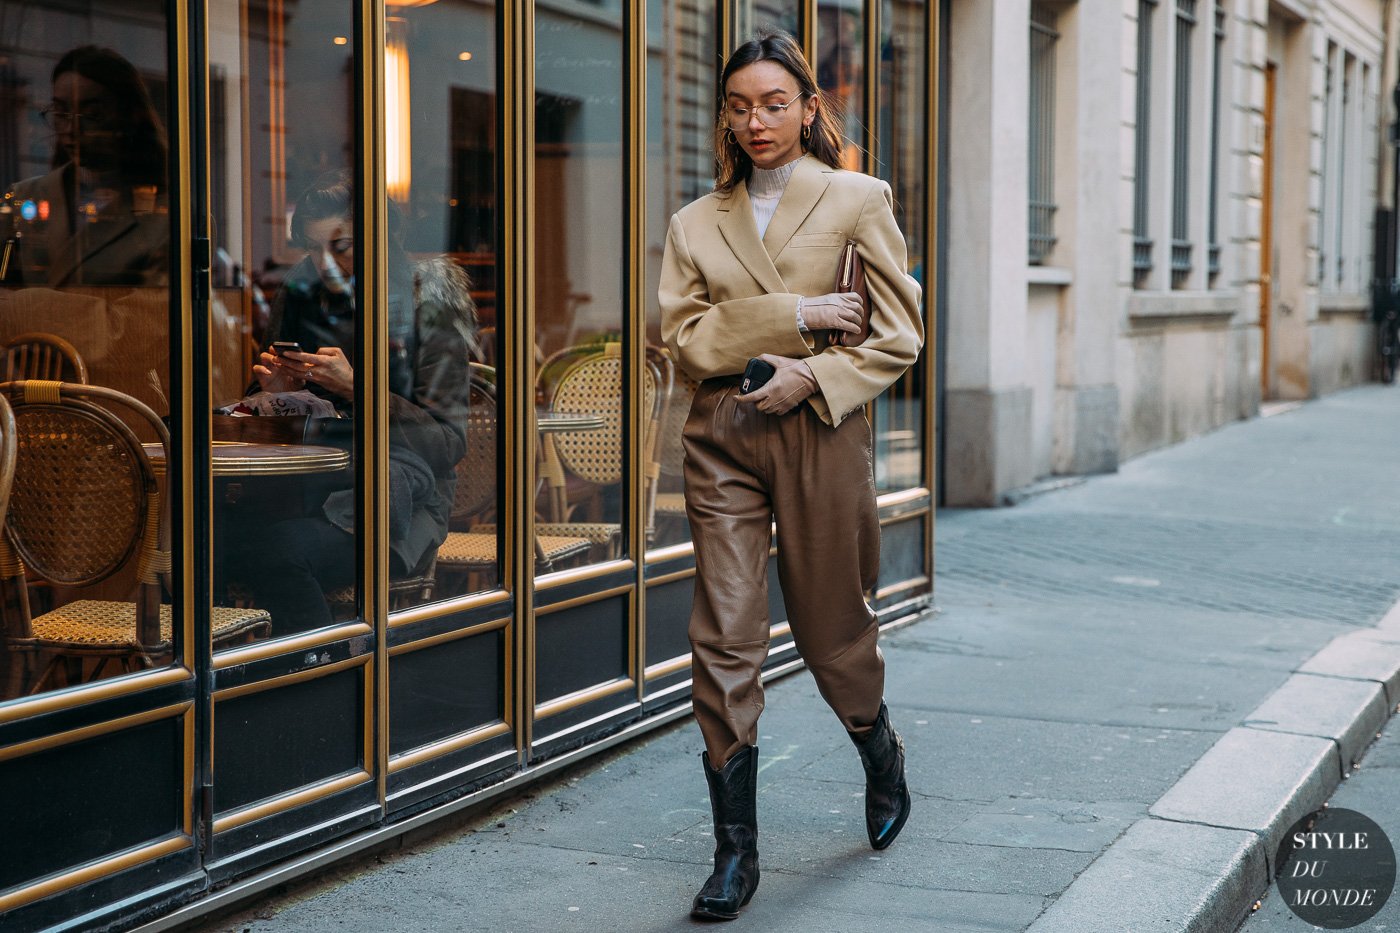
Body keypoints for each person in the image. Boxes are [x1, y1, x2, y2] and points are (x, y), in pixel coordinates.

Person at [658, 32, 923, 920]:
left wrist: (814, 371)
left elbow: (900, 333)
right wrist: (798, 313)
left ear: (809, 107)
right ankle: (737, 855)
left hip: (819, 426)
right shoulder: (696, 222)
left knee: (830, 625)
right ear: (725, 115)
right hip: (724, 432)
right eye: (740, 106)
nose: (757, 120)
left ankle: (880, 756)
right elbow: (687, 342)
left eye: (775, 103)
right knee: (724, 636)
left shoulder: (855, 197)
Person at [242, 170, 474, 635]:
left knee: (275, 556)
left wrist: (358, 389)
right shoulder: (300, 292)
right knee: (196, 550)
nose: (325, 263)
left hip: (398, 500)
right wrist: (272, 395)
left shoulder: (426, 302)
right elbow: (266, 411)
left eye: (341, 247)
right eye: (312, 247)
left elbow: (448, 444)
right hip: (296, 491)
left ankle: (324, 685)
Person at [2, 45, 168, 287]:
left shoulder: (167, 214)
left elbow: (150, 314)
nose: (72, 130)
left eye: (92, 115)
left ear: (131, 115)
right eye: (61, 112)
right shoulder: (22, 198)